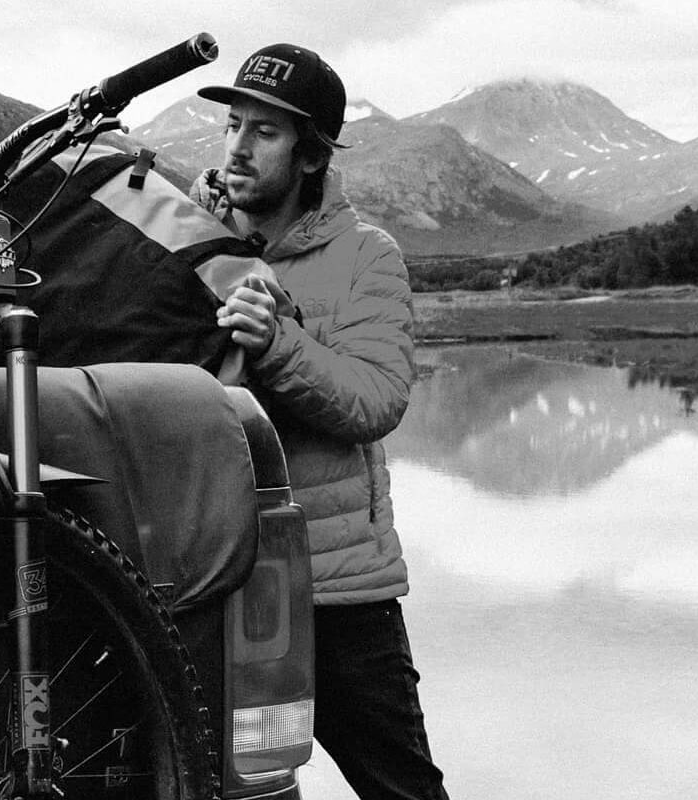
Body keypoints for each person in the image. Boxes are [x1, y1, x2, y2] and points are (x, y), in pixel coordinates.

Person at [192, 43, 446, 800]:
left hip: (337, 592)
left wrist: (278, 344)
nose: (238, 147)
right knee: (253, 785)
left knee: (400, 787)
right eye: (233, 125)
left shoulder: (368, 255)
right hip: (224, 579)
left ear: (310, 156)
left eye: (265, 131)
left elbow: (378, 400)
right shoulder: (188, 240)